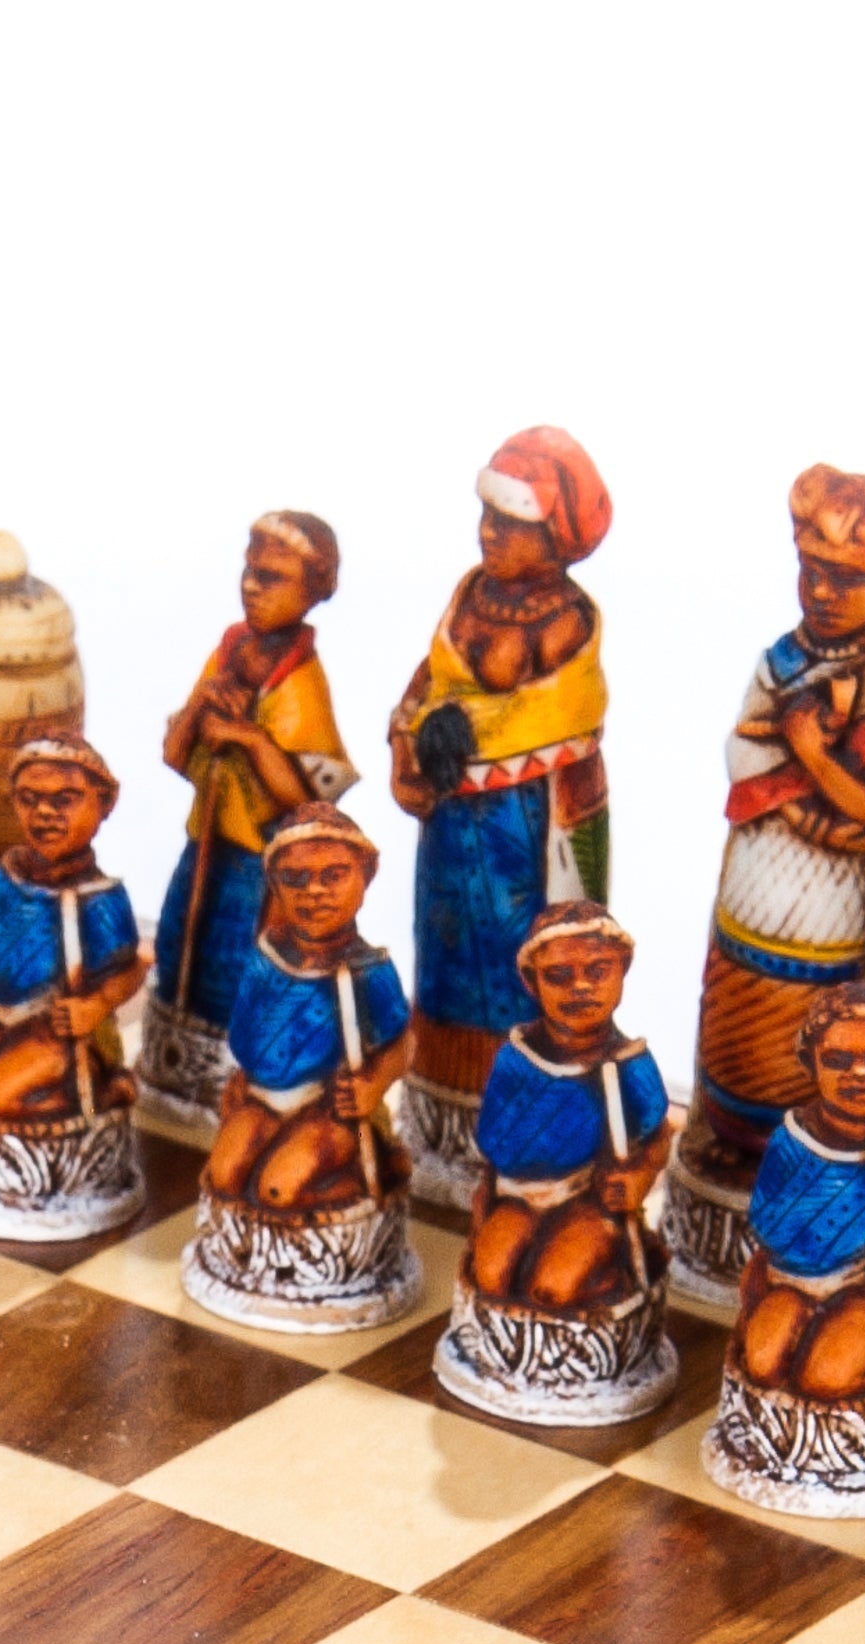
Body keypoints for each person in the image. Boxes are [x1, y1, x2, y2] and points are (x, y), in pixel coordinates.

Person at [656, 466, 865, 1312]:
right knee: (737, 999)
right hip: (758, 872)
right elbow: (743, 755)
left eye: (845, 579)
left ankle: (798, 1157)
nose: (821, 591)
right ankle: (731, 1144)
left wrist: (811, 757)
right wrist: (811, 795)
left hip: (830, 898)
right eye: (811, 571)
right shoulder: (779, 659)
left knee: (808, 1014)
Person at [385, 427, 616, 1208]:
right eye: (487, 515)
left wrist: (457, 737)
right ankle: (442, 1125)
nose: (488, 533)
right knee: (444, 955)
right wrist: (409, 739)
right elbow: (429, 683)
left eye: (511, 522)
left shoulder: (569, 622)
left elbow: (550, 716)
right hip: (453, 824)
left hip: (530, 822)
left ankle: (517, 1127)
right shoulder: (467, 594)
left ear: (556, 536)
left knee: (523, 963)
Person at [139, 513, 353, 1135]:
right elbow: (176, 753)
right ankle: (172, 1072)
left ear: (313, 591)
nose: (253, 586)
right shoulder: (230, 650)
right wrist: (202, 710)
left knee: (236, 967)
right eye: (250, 570)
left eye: (273, 577)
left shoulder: (302, 682)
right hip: (204, 838)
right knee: (179, 942)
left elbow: (310, 798)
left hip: (257, 863)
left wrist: (249, 739)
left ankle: (229, 1086)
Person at [709, 983, 865, 1516]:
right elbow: (767, 1218)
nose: (860, 1073)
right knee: (765, 1364)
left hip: (864, 1290)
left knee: (825, 1379)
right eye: (838, 1060)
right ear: (811, 1063)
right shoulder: (792, 1138)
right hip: (790, 1282)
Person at [433, 899, 677, 1424]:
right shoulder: (517, 1056)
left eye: (597, 971)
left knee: (554, 1288)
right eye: (559, 976)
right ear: (532, 981)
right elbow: (494, 1140)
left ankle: (610, 1299)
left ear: (622, 971)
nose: (580, 987)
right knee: (493, 1276)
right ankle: (514, 1354)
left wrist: (639, 1177)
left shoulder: (627, 1065)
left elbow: (657, 1136)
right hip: (517, 1198)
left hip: (587, 1201)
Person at [187, 802, 422, 1332]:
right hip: (262, 1099)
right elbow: (246, 1033)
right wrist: (242, 1078)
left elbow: (404, 1046)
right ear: (274, 883)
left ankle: (361, 1198)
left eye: (333, 876)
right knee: (225, 1175)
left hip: (328, 1108)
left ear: (366, 876)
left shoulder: (367, 971)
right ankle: (254, 1258)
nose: (314, 892)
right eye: (296, 879)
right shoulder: (267, 954)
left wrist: (374, 1084)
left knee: (277, 1189)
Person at [0, 736, 149, 1239]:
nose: (45, 814)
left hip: (53, 1028)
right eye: (30, 799)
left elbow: (132, 970)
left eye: (65, 799)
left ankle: (106, 1087)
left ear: (104, 803)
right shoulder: (9, 874)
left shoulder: (98, 897)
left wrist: (97, 1004)